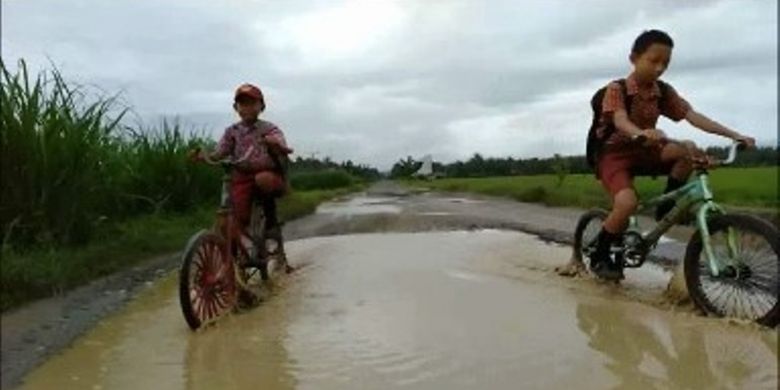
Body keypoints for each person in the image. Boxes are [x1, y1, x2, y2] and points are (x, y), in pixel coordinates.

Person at [573, 29, 755, 280]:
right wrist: (641, 133)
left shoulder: (663, 92)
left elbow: (693, 116)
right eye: (653, 61)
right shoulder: (617, 89)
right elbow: (620, 119)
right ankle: (600, 254)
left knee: (687, 150)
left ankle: (666, 209)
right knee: (626, 203)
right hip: (613, 154)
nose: (660, 68)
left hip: (646, 150)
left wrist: (734, 135)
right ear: (634, 58)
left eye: (666, 63)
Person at [195, 83, 293, 268]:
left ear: (261, 106)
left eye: (251, 103)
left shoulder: (269, 128)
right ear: (236, 108)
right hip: (241, 176)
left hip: (268, 175)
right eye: (242, 104)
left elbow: (282, 144)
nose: (246, 107)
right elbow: (220, 152)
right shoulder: (232, 132)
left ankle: (270, 223)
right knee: (233, 218)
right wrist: (204, 156)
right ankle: (233, 257)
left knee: (262, 180)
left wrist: (274, 143)